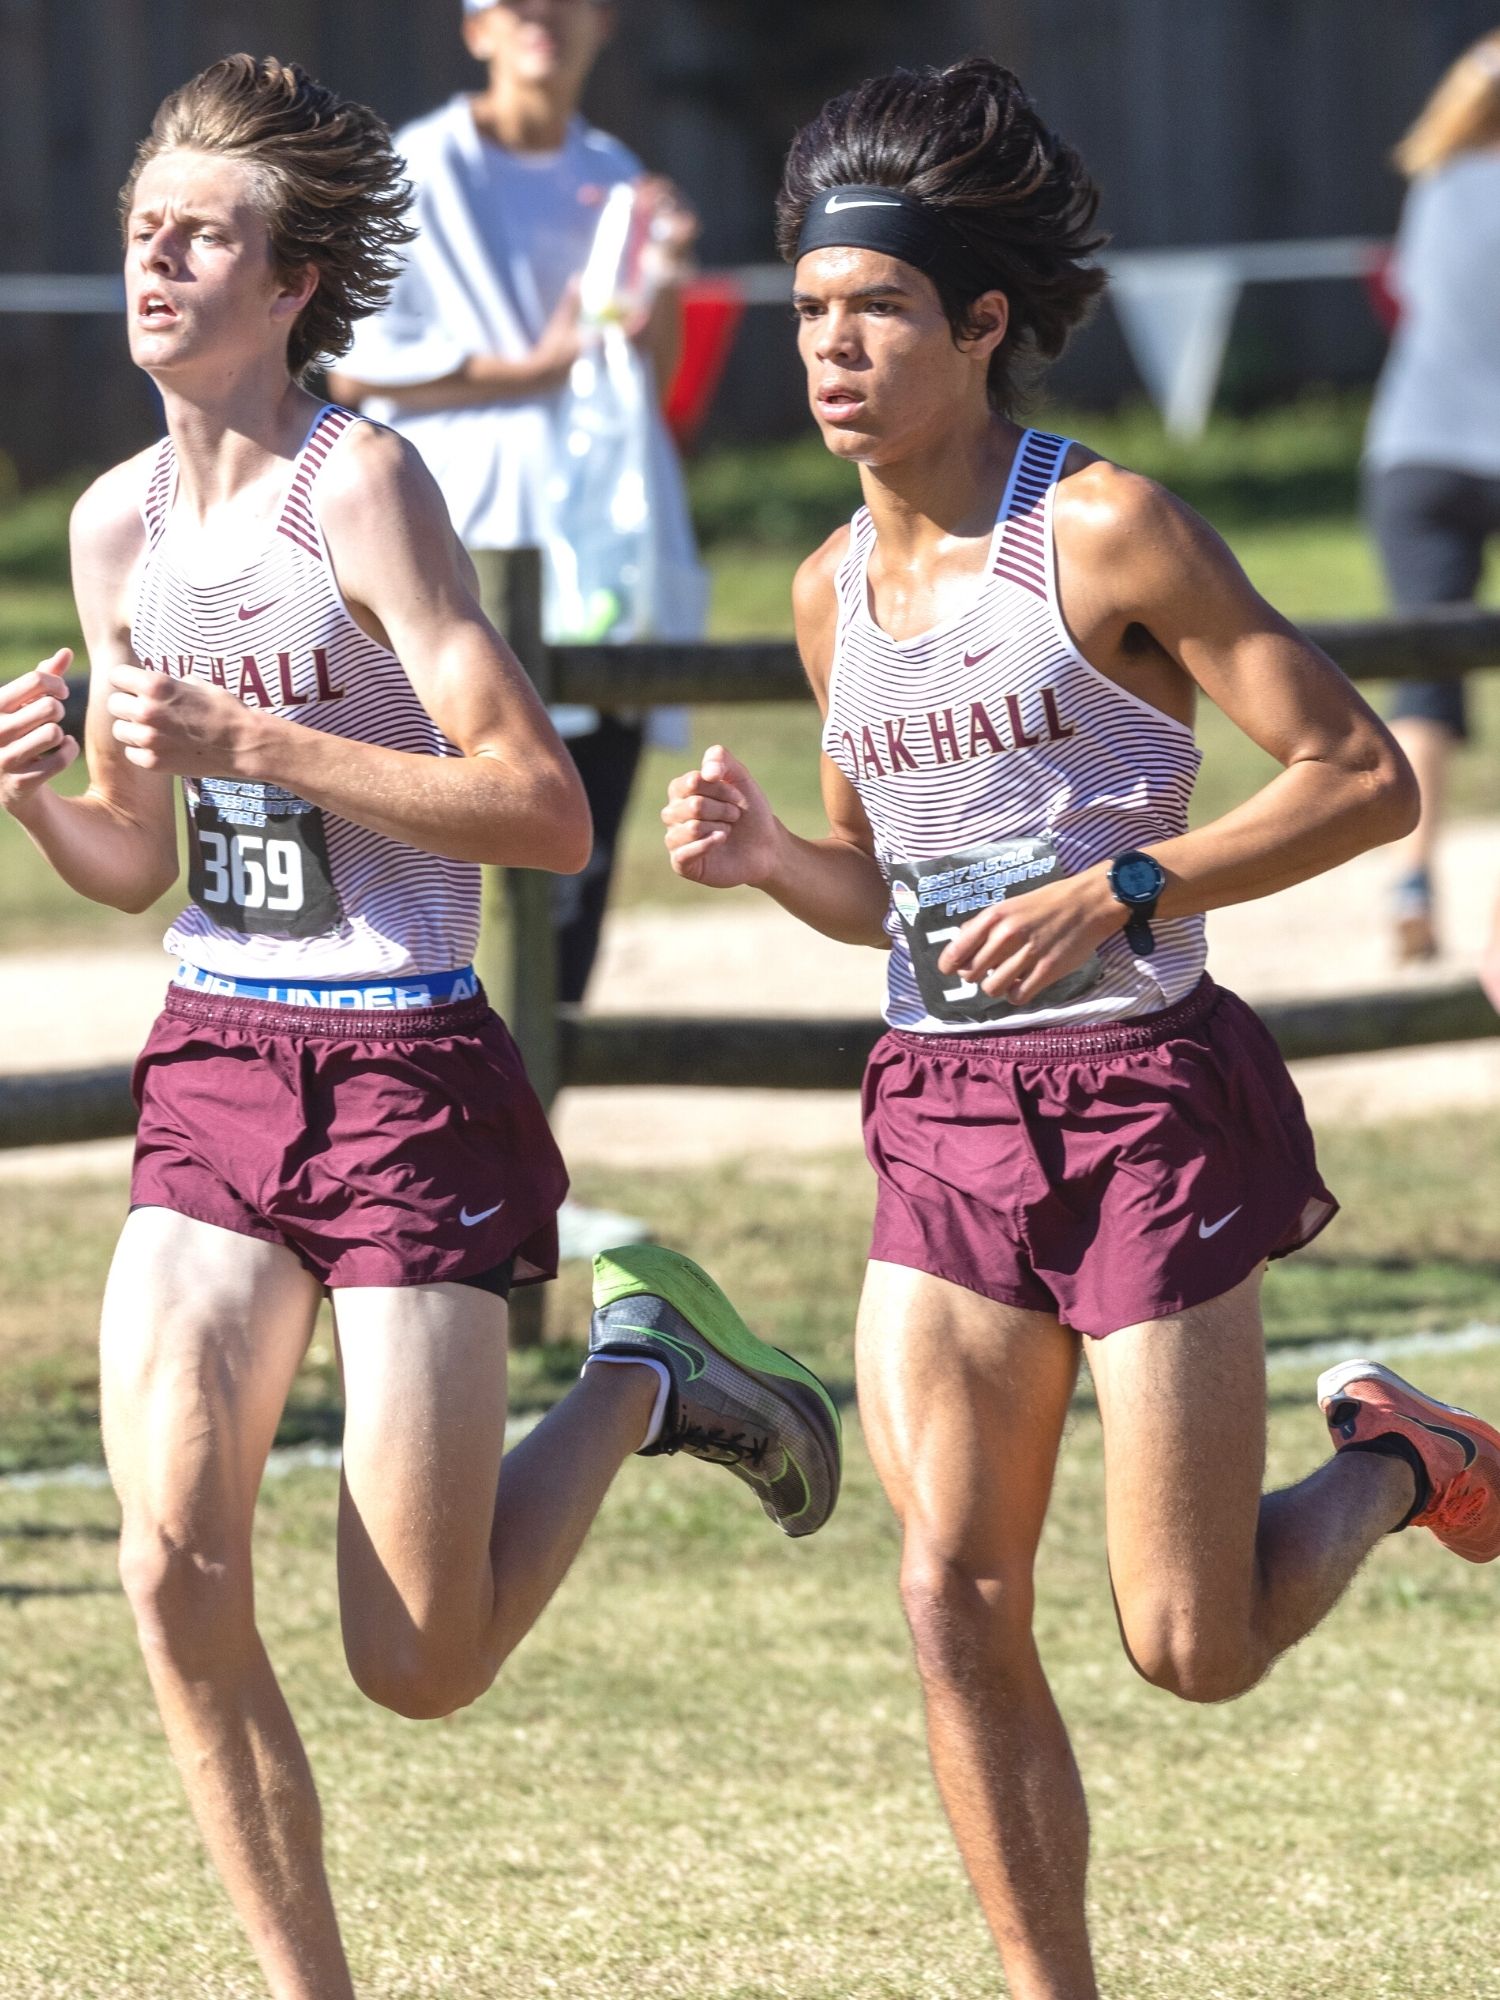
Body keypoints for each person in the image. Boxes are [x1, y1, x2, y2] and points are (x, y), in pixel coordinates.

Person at [0, 55, 839, 2000]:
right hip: (215, 1054)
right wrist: (40, 789)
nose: (159, 261)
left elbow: (540, 807)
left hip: (400, 1063)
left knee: (421, 1660)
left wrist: (267, 739)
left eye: (202, 235)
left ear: (290, 284)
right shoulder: (114, 530)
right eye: (143, 232)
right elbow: (141, 858)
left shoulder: (358, 482)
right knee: (167, 1562)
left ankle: (646, 1370)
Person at [663, 58, 1500, 1999]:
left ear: (978, 320)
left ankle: (1394, 1449)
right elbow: (898, 894)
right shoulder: (822, 596)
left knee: (1189, 1641)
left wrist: (1134, 885)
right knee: (950, 1595)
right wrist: (774, 857)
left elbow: (1364, 777)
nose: (832, 349)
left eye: (874, 308)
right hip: (939, 1117)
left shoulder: (1109, 533)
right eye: (806, 313)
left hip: (1143, 1106)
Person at [328, 0, 705, 1005]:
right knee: (449, 837)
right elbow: (355, 366)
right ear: (474, 27)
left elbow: (643, 378)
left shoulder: (617, 174)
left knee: (580, 843)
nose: (541, 12)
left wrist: (657, 277)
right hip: (467, 522)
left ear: (605, 24)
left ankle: (546, 1097)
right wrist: (537, 364)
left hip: (610, 534)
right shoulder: (416, 169)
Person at [1364, 30, 1500, 961]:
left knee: (1427, 666)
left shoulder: (1438, 183)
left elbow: (1411, 299)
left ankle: (1413, 878)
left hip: (1415, 455)